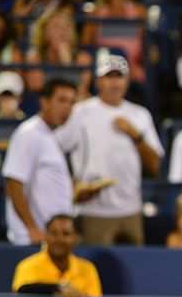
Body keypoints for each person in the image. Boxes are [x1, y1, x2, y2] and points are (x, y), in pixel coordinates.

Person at [56, 54, 164, 246]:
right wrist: (70, 185)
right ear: (99, 81)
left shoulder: (140, 114)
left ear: (127, 81)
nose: (115, 83)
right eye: (109, 77)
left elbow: (155, 164)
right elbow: (55, 149)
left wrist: (135, 135)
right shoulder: (81, 111)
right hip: (94, 210)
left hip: (131, 209)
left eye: (119, 77)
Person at [3, 79, 77, 245]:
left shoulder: (49, 135)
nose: (67, 107)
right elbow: (13, 184)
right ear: (45, 102)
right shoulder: (29, 134)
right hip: (33, 240)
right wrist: (31, 229)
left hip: (51, 239)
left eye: (72, 102)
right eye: (62, 100)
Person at [12, 214, 102, 297]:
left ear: (76, 238)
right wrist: (59, 288)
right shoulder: (28, 265)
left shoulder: (87, 268)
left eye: (66, 234)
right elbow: (22, 290)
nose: (59, 239)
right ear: (45, 236)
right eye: (53, 233)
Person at [81, 0, 147, 83]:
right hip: (105, 69)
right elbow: (86, 47)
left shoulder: (139, 12)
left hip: (134, 71)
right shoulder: (96, 14)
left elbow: (144, 44)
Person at [26, 8, 94, 99]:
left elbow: (81, 90)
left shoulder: (83, 58)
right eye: (56, 27)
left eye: (67, 27)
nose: (62, 32)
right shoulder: (35, 58)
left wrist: (66, 61)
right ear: (45, 33)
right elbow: (37, 87)